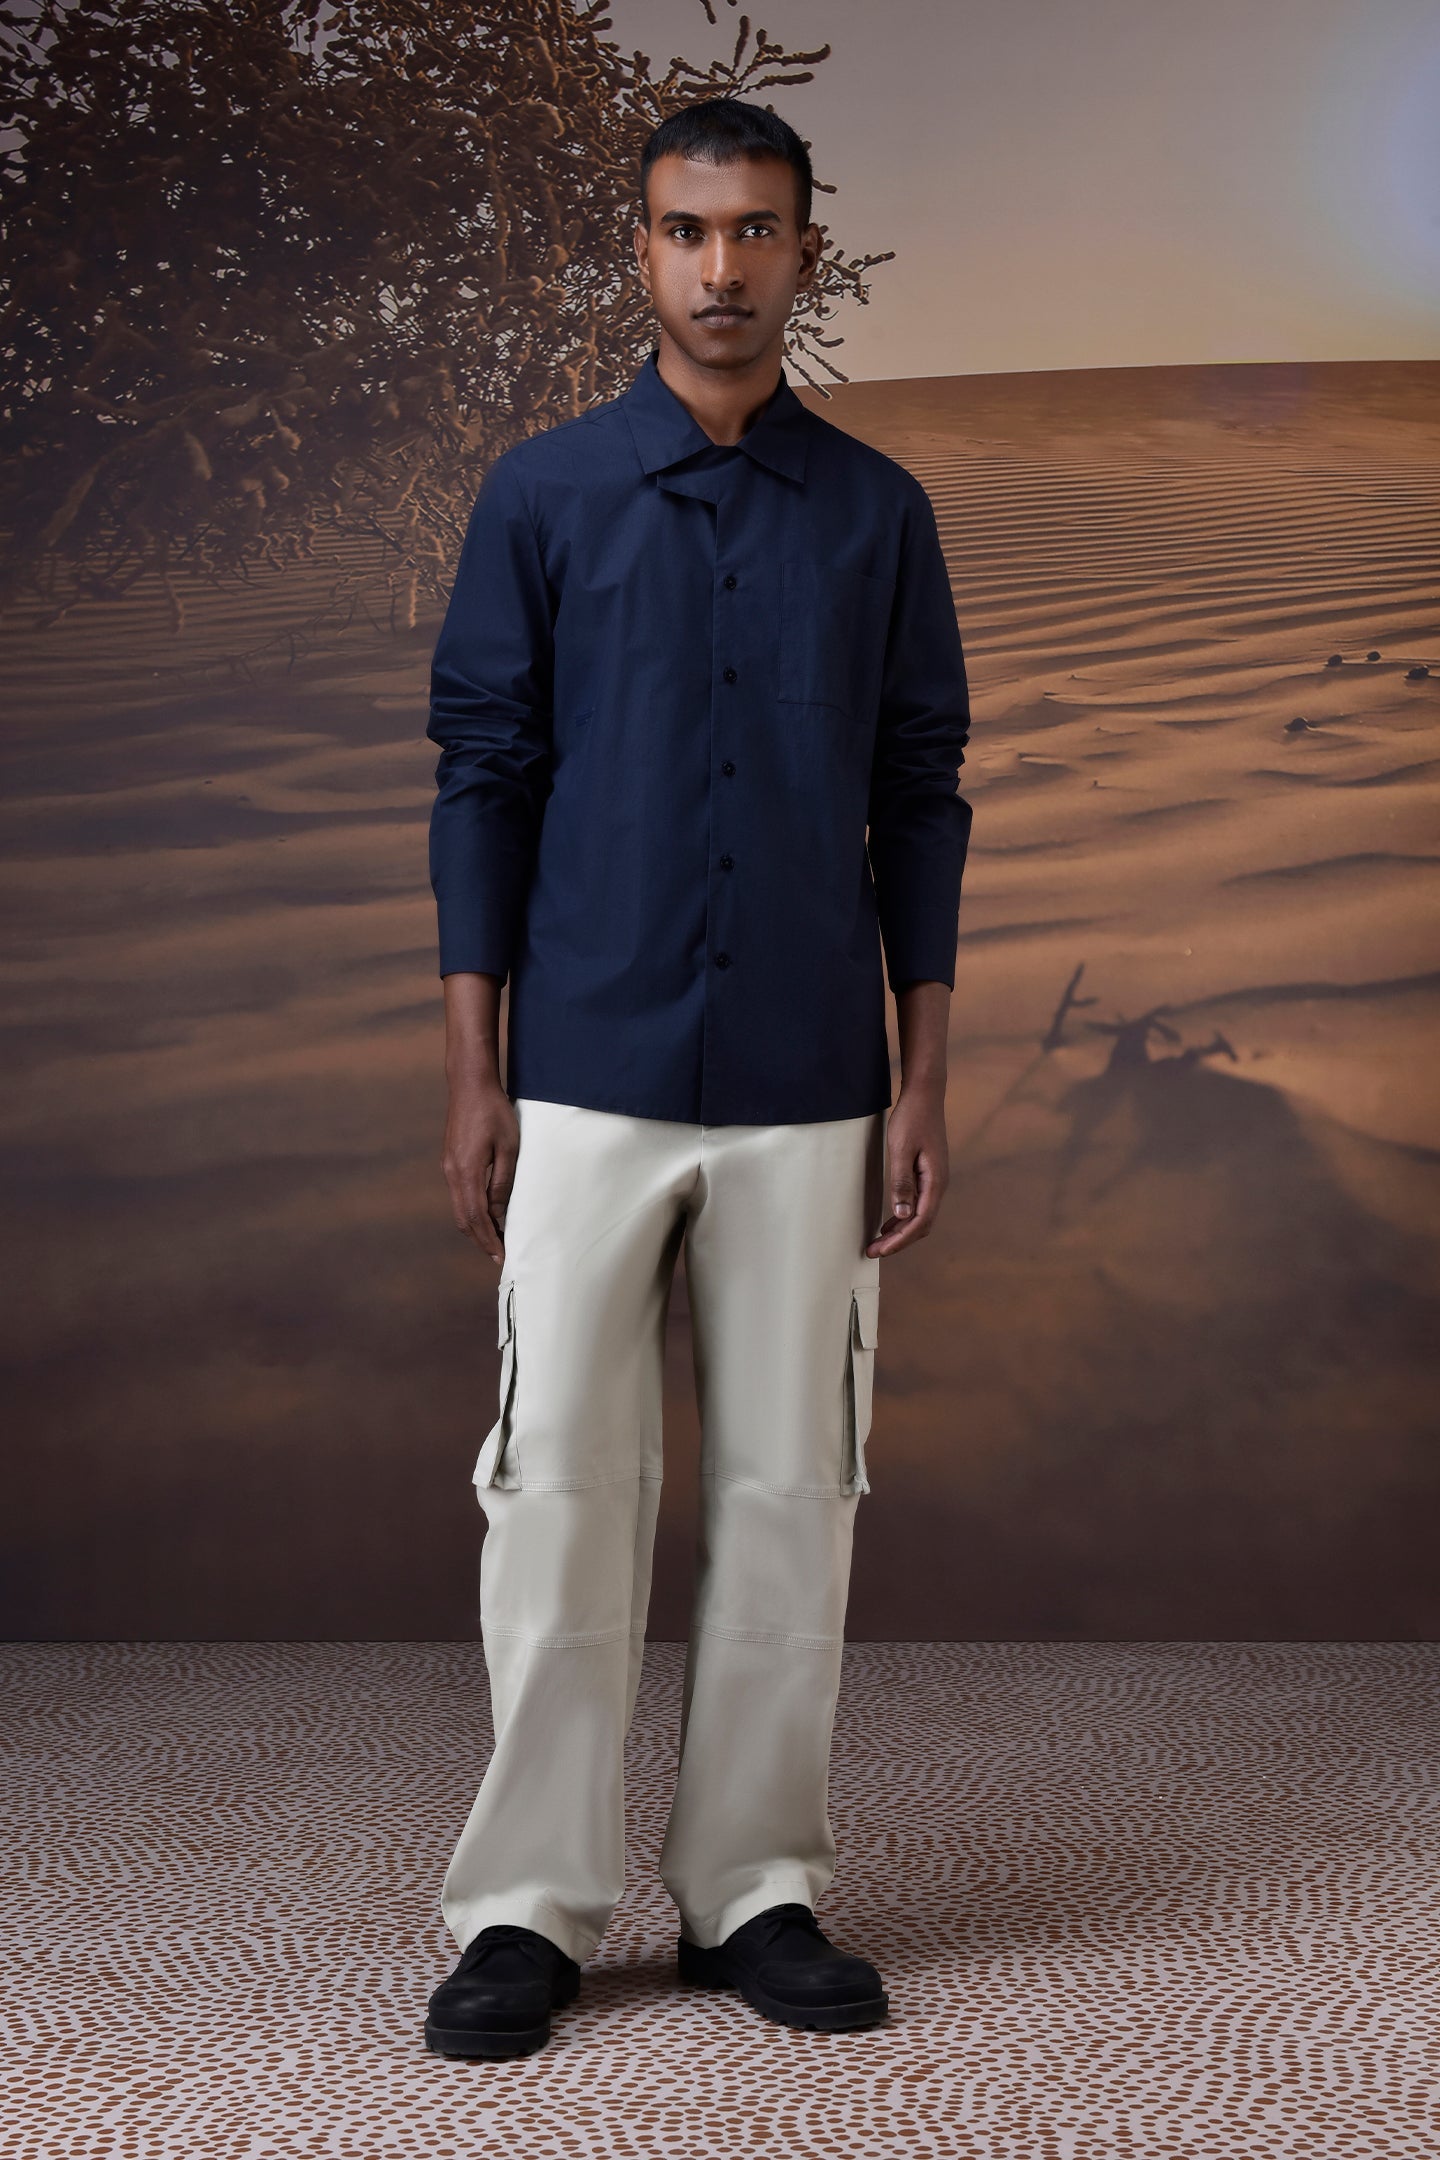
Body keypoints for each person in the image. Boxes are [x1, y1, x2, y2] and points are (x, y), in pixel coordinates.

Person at [420, 94, 974, 2060]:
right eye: (686, 230)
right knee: (558, 1489)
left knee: (789, 1487)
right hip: (585, 1065)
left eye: (754, 231)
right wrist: (476, 1070)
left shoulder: (877, 512)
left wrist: (921, 1077)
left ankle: (754, 1889)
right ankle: (527, 1910)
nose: (721, 267)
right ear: (640, 249)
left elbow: (922, 796)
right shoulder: (544, 496)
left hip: (815, 1075)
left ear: (804, 252)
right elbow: (483, 776)